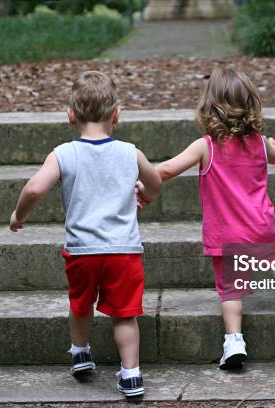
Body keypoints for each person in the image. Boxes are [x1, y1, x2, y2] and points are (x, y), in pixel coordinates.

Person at [9, 71, 162, 397]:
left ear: (71, 116)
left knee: (81, 305)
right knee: (124, 315)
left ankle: (80, 353)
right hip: (124, 252)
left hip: (82, 252)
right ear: (116, 115)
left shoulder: (64, 154)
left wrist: (18, 215)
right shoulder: (130, 152)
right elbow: (156, 181)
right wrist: (145, 191)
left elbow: (35, 187)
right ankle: (131, 374)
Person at [144, 67, 275, 370]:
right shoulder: (260, 142)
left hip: (227, 235)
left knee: (231, 290)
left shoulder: (205, 146)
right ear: (251, 105)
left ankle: (234, 342)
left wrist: (142, 182)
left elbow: (165, 171)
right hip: (261, 226)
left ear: (210, 106)